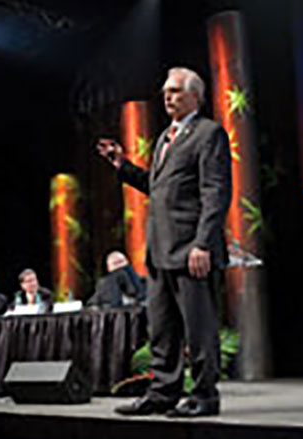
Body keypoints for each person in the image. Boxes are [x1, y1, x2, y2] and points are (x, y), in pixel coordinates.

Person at [96, 67, 232, 418]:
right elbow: (158, 190)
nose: (166, 96)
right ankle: (163, 393)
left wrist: (203, 243)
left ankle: (204, 396)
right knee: (162, 329)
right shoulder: (164, 139)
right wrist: (122, 165)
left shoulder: (209, 133)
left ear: (194, 96)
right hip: (159, 251)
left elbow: (216, 192)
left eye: (173, 91)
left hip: (191, 251)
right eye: (165, 91)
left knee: (198, 330)